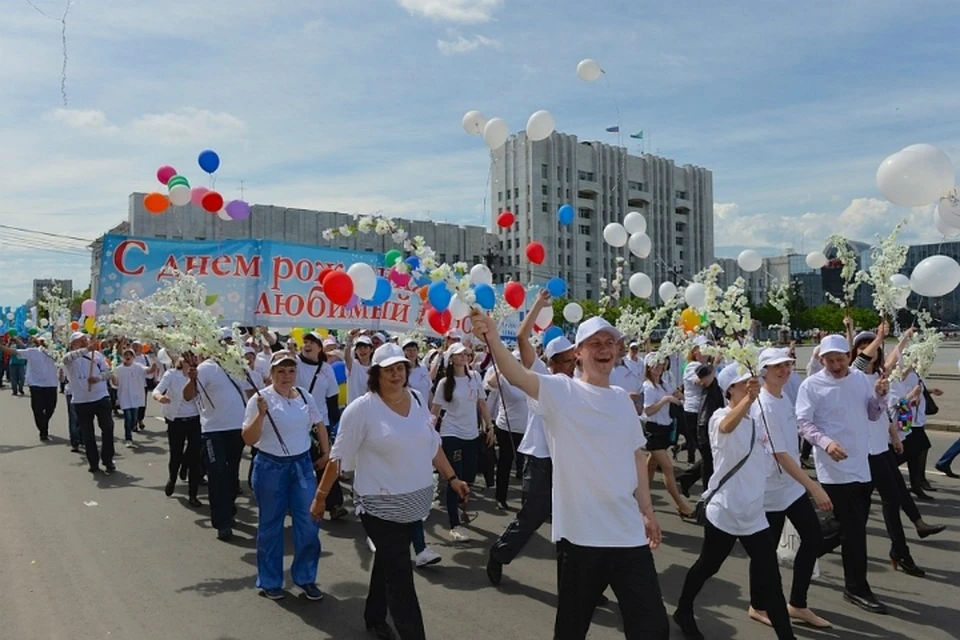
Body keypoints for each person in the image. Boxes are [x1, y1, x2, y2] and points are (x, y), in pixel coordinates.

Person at [470, 310, 669, 640]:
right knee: (571, 630)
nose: (604, 349)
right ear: (579, 353)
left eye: (609, 342)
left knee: (652, 627)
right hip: (581, 540)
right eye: (594, 343)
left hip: (628, 537)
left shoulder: (621, 400)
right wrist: (492, 337)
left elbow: (637, 457)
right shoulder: (562, 392)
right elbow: (519, 376)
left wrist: (647, 513)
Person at [313, 343, 468, 640]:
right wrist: (321, 497)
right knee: (400, 577)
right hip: (379, 507)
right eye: (389, 370)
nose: (396, 374)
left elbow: (432, 444)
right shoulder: (362, 409)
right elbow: (338, 456)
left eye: (400, 368)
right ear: (375, 374)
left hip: (413, 505)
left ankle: (374, 615)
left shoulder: (418, 398)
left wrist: (453, 477)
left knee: (388, 560)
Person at [674, 366, 795, 640]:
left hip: (754, 512)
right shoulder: (719, 417)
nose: (751, 387)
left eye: (753, 383)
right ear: (729, 388)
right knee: (708, 565)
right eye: (744, 384)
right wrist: (748, 401)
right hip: (726, 510)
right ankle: (683, 610)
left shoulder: (758, 416)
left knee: (771, 579)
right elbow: (728, 426)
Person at [488, 289, 576, 588]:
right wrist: (539, 304)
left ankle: (577, 583)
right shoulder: (541, 376)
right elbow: (523, 339)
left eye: (574, 358)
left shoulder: (579, 384)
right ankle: (499, 554)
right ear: (551, 362)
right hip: (539, 459)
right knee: (532, 518)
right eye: (566, 360)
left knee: (571, 525)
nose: (572, 364)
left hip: (567, 462)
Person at [796, 335, 889, 614]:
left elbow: (872, 414)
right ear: (821, 360)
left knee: (847, 525)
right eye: (830, 360)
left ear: (849, 357)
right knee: (854, 530)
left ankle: (808, 548)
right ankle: (856, 587)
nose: (836, 365)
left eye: (840, 359)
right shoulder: (811, 385)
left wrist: (881, 396)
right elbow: (803, 422)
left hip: (861, 463)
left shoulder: (860, 379)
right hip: (834, 469)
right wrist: (826, 443)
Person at [747, 348, 833, 629]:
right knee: (765, 553)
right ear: (764, 372)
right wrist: (814, 487)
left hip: (791, 487)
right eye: (776, 367)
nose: (784, 370)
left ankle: (797, 603)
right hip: (771, 491)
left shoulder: (783, 397)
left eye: (786, 365)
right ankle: (757, 605)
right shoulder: (763, 405)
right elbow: (780, 454)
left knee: (814, 538)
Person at [243, 351, 327, 601]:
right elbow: (249, 438)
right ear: (271, 374)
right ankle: (270, 581)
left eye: (291, 371)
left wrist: (327, 452)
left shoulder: (304, 395)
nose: (286, 376)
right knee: (271, 525)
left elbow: (319, 423)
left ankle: (305, 578)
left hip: (301, 465)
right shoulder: (260, 399)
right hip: (271, 467)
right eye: (280, 371)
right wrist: (260, 413)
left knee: (309, 522)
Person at [185, 329, 253, 541]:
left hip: (237, 429)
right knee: (217, 474)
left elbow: (249, 392)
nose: (227, 345)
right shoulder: (206, 368)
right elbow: (188, 396)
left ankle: (228, 509)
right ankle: (222, 522)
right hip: (213, 431)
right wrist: (192, 379)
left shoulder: (237, 366)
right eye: (223, 342)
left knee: (232, 474)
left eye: (230, 342)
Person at [431, 342, 494, 541]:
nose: (464, 356)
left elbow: (482, 403)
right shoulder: (444, 383)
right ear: (451, 359)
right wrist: (429, 435)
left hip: (471, 434)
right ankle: (454, 525)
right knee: (454, 478)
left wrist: (489, 426)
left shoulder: (475, 378)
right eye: (459, 354)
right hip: (451, 434)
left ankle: (460, 507)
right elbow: (435, 411)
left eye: (466, 353)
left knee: (469, 476)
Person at [297, 331, 348, 521]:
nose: (307, 345)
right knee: (298, 462)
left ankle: (334, 504)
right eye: (305, 341)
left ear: (320, 347)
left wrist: (333, 427)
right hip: (296, 421)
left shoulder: (327, 369)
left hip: (320, 424)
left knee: (324, 463)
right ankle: (297, 503)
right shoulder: (293, 364)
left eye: (312, 342)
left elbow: (332, 399)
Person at [642, 353, 695, 518]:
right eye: (655, 365)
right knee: (668, 467)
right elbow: (648, 410)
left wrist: (678, 396)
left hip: (665, 428)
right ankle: (681, 505)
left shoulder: (664, 383)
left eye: (661, 364)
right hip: (653, 430)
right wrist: (665, 400)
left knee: (650, 466)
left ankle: (642, 499)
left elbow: (676, 395)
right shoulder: (648, 387)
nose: (659, 367)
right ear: (649, 367)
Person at [61, 333, 116, 474]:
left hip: (101, 397)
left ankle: (108, 459)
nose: (85, 342)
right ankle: (93, 462)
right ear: (73, 344)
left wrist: (98, 378)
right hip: (81, 400)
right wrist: (86, 350)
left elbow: (108, 372)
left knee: (108, 428)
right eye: (81, 341)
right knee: (88, 433)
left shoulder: (97, 356)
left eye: (85, 340)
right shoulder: (70, 358)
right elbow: (67, 358)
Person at [153, 354, 203, 506]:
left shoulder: (201, 374)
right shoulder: (172, 374)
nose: (189, 361)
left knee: (194, 457)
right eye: (186, 358)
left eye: (192, 358)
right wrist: (159, 397)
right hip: (177, 420)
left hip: (196, 419)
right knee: (176, 454)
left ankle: (193, 494)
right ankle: (172, 477)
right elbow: (157, 390)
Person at [485, 351, 529, 510]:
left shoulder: (527, 376)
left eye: (519, 360)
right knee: (505, 463)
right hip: (506, 427)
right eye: (514, 360)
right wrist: (503, 367)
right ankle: (500, 497)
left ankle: (527, 503)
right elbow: (490, 383)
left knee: (525, 467)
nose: (517, 363)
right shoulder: (503, 378)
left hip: (525, 428)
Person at [0, 336, 59, 440]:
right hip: (36, 385)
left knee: (50, 408)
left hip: (51, 384)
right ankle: (43, 431)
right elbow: (12, 351)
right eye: (42, 341)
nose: (44, 343)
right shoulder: (32, 352)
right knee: (37, 409)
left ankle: (44, 423)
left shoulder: (55, 353)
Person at [113, 347, 156, 446]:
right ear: (123, 357)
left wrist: (154, 364)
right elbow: (115, 384)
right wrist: (112, 378)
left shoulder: (138, 367)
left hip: (136, 396)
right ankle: (128, 438)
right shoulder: (118, 369)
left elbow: (148, 371)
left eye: (130, 355)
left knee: (133, 419)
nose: (128, 357)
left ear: (133, 357)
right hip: (124, 397)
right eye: (126, 355)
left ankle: (132, 427)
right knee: (127, 418)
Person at [680, 337, 711, 464]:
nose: (706, 351)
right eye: (702, 348)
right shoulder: (692, 366)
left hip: (705, 410)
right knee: (705, 451)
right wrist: (714, 366)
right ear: (695, 352)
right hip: (694, 412)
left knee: (708, 452)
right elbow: (703, 382)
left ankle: (687, 479)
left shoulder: (706, 366)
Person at [345, 332, 374, 404]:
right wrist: (349, 339)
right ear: (355, 351)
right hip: (353, 409)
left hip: (369, 408)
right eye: (359, 348)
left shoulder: (375, 368)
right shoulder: (353, 365)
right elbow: (346, 357)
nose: (362, 350)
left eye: (365, 347)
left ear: (371, 350)